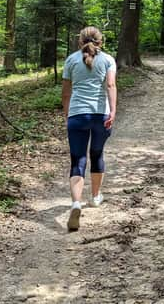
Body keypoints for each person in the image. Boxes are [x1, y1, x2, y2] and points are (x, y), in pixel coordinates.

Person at [61, 26, 117, 231]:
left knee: (78, 159)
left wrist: (68, 114)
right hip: (100, 114)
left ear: (79, 41)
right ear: (100, 41)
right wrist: (112, 111)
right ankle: (94, 197)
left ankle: (76, 203)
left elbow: (66, 92)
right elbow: (110, 86)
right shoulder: (109, 60)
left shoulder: (70, 60)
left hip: (77, 114)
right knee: (97, 153)